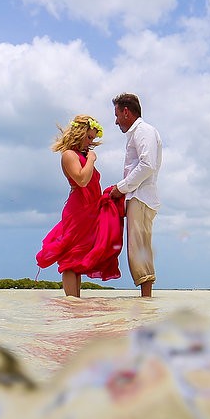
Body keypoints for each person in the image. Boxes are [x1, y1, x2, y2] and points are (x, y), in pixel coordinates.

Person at [36, 115, 124, 297]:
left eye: (93, 138)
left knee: (78, 258)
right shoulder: (69, 155)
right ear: (79, 133)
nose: (91, 142)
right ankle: (71, 302)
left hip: (91, 210)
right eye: (89, 137)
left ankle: (76, 305)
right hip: (77, 211)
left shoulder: (81, 155)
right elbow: (82, 180)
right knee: (70, 256)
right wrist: (91, 159)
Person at [109, 93, 162, 298]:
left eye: (116, 115)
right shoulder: (140, 132)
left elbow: (147, 165)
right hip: (140, 196)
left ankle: (146, 301)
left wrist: (121, 188)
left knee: (138, 248)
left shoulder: (143, 130)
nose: (115, 121)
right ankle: (145, 303)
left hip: (140, 196)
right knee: (138, 248)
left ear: (126, 112)